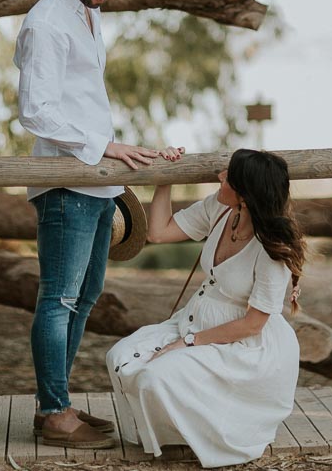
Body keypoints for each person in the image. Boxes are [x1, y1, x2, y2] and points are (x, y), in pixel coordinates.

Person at [13, 0, 183, 450]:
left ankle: (56, 402)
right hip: (66, 184)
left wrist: (125, 149)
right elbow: (36, 113)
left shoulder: (86, 14)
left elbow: (82, 101)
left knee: (84, 298)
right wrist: (105, 148)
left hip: (97, 182)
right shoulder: (46, 23)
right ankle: (53, 411)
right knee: (59, 298)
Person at [106, 149, 305, 468]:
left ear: (244, 194)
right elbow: (159, 232)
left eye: (228, 176)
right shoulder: (221, 209)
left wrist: (185, 343)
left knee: (156, 377)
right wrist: (164, 179)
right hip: (194, 319)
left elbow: (253, 325)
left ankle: (212, 430)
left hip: (243, 345)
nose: (219, 177)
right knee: (119, 357)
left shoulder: (271, 251)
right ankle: (175, 433)